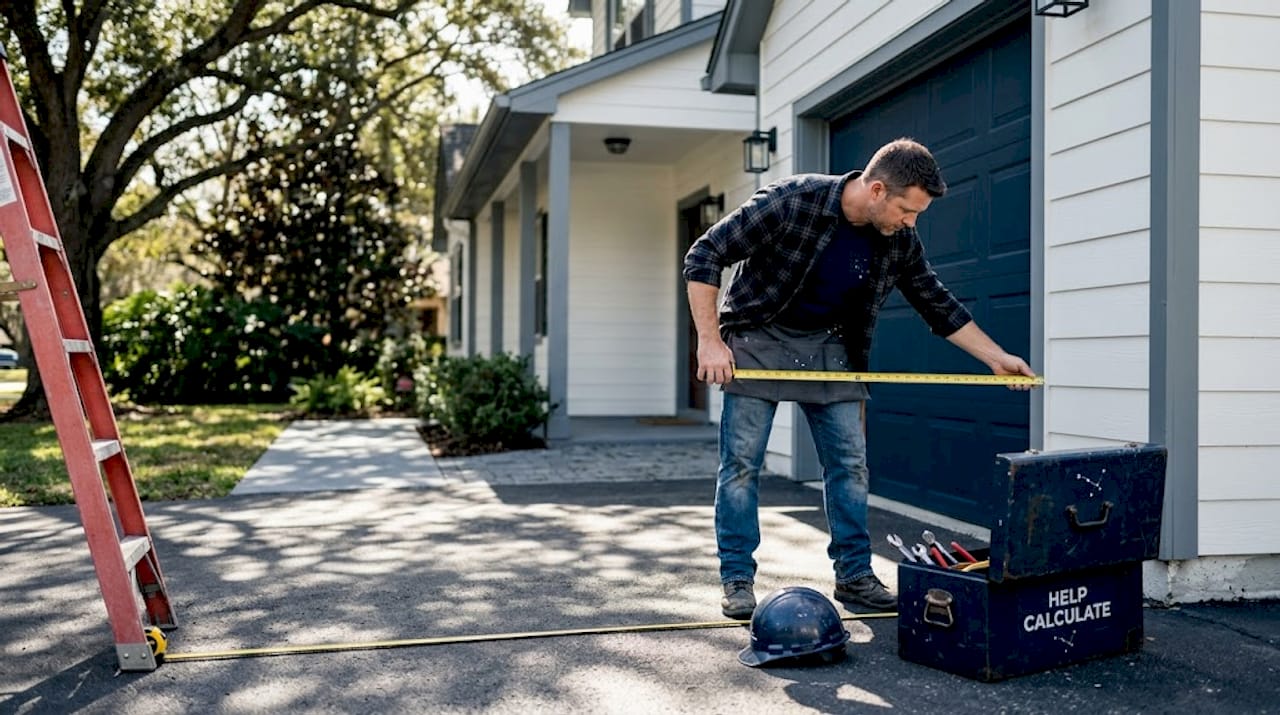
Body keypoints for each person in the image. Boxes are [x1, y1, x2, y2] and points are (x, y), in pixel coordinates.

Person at [682, 138, 1035, 619]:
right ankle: (738, 578)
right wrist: (709, 341)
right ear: (875, 190)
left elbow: (934, 300)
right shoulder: (791, 202)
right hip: (758, 337)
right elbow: (705, 254)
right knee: (741, 466)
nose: (911, 223)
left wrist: (996, 357)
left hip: (832, 346)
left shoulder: (899, 239)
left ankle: (854, 575)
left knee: (850, 464)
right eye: (908, 211)